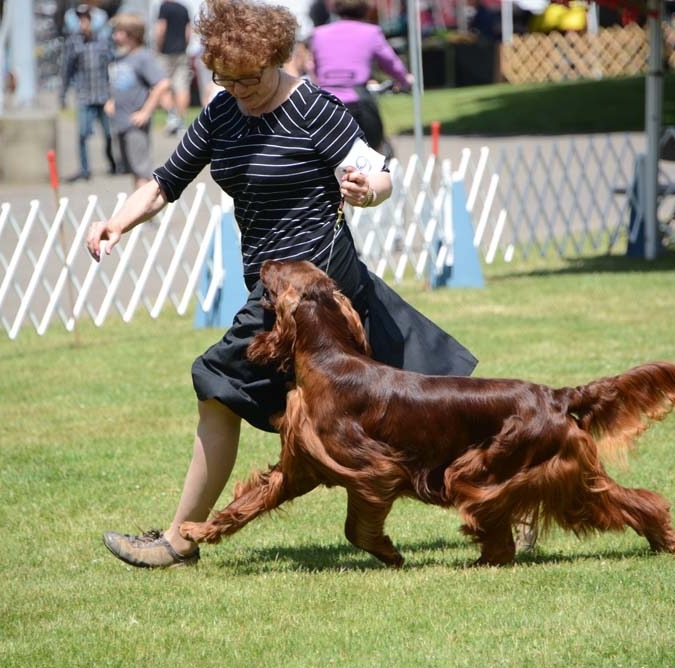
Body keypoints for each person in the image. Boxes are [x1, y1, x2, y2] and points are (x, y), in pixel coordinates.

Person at [89, 0, 477, 569]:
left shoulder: (315, 109)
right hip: (276, 288)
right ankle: (509, 506)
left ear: (276, 57)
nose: (240, 90)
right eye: (227, 78)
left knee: (214, 380)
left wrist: (369, 189)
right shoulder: (223, 112)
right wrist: (116, 222)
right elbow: (165, 182)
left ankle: (178, 541)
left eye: (250, 78)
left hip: (315, 288)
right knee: (423, 412)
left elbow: (379, 170)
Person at [309, 0, 413, 156]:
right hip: (358, 102)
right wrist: (405, 80)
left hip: (325, 102)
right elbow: (391, 63)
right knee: (372, 153)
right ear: (365, 9)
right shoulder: (371, 32)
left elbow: (315, 68)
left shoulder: (318, 33)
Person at [106, 13, 172, 188]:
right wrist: (112, 100)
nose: (115, 36)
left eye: (119, 32)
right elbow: (119, 84)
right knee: (133, 172)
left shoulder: (143, 57)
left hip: (135, 125)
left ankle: (145, 212)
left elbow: (162, 84)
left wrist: (145, 112)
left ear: (131, 34)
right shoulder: (121, 58)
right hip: (121, 122)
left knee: (142, 171)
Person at [60, 4, 118, 182]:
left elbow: (113, 67)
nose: (83, 23)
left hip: (103, 96)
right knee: (83, 135)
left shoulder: (103, 42)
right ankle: (85, 170)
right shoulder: (73, 43)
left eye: (86, 19)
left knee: (109, 134)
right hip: (85, 95)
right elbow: (67, 71)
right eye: (81, 20)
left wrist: (113, 95)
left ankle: (114, 164)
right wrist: (62, 95)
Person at [154, 0, 194, 135]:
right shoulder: (184, 8)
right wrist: (185, 46)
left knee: (161, 85)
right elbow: (189, 32)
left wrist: (158, 47)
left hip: (165, 53)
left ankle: (172, 116)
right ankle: (179, 121)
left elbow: (161, 29)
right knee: (182, 87)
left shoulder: (164, 7)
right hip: (181, 52)